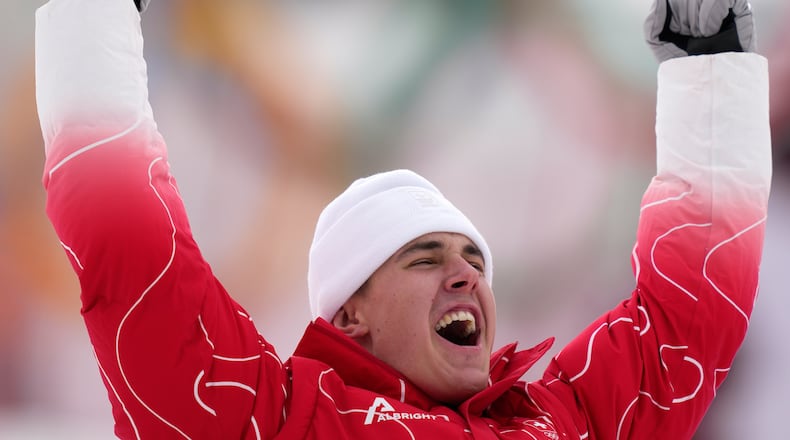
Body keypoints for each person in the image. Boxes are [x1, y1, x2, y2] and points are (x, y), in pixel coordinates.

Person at [33, 0, 770, 438]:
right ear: (350, 315)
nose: (465, 275)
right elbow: (130, 255)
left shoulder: (560, 420)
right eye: (423, 258)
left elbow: (691, 312)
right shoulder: (277, 421)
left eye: (474, 260)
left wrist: (709, 65)